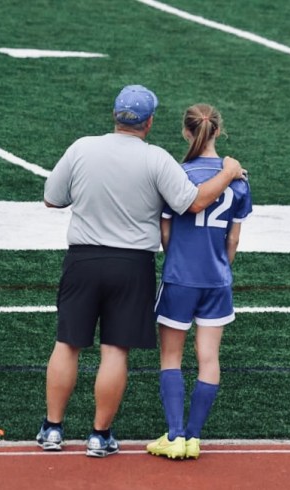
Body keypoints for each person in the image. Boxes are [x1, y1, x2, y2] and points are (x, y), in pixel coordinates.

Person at [37, 86, 246, 458]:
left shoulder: (82, 147)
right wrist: (229, 170)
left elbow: (52, 198)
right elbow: (194, 201)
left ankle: (53, 429)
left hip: (83, 257)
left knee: (67, 343)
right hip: (133, 265)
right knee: (115, 349)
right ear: (149, 122)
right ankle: (99, 436)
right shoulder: (157, 159)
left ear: (115, 115)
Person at [146, 103, 252, 460]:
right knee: (209, 357)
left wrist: (176, 257)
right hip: (217, 279)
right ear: (218, 131)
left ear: (186, 132)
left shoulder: (176, 175)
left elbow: (164, 230)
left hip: (180, 277)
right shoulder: (238, 179)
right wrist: (220, 264)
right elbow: (233, 240)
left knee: (171, 356)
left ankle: (174, 435)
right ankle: (193, 437)